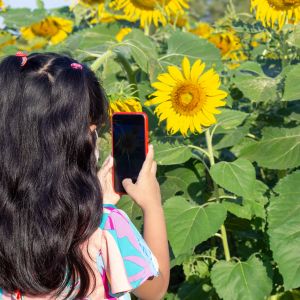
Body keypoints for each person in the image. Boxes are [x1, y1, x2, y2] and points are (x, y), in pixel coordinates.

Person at [0, 52, 170, 299]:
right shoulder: (107, 227)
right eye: (92, 130)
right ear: (76, 143)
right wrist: (152, 205)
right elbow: (155, 289)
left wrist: (96, 202)